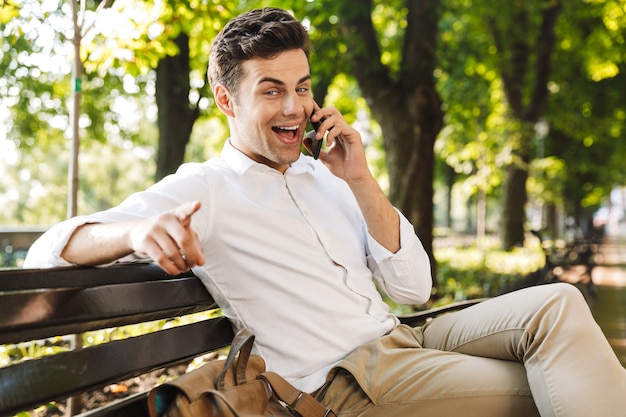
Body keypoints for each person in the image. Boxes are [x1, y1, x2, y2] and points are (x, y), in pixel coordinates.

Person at [25, 7, 626, 417]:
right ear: (225, 99)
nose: (294, 106)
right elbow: (45, 251)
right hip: (347, 382)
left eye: (303, 87)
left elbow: (414, 287)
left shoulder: (328, 173)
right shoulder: (204, 188)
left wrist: (360, 178)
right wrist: (137, 228)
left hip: (405, 338)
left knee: (559, 304)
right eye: (272, 90)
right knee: (563, 387)